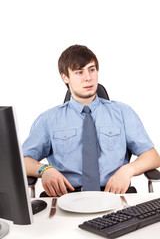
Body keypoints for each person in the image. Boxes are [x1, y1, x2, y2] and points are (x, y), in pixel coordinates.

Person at [23, 44, 160, 197]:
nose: (88, 77)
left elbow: (152, 157)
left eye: (92, 69)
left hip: (113, 195)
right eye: (79, 72)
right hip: (66, 197)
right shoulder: (48, 119)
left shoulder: (122, 113)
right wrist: (44, 170)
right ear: (65, 77)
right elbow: (21, 160)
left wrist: (128, 170)